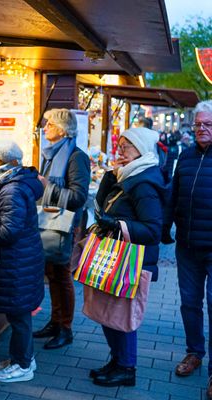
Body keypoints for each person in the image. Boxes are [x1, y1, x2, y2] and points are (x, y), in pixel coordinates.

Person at [89, 127, 164, 387]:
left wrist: (116, 225)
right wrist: (109, 177)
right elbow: (100, 206)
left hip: (132, 260)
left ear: (140, 150)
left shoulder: (143, 183)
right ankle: (117, 360)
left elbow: (153, 230)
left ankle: (126, 368)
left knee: (122, 315)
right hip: (118, 255)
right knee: (111, 313)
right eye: (119, 145)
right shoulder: (127, 175)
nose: (120, 150)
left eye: (126, 146)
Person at [0, 140, 44, 383]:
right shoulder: (11, 183)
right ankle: (24, 356)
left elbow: (8, 232)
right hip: (21, 259)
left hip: (17, 261)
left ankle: (23, 365)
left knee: (19, 316)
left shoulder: (11, 189)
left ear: (6, 162)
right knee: (20, 315)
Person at [164, 100, 212, 399]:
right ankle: (194, 352)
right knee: (190, 305)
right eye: (198, 125)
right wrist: (163, 231)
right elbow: (173, 195)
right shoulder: (186, 156)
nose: (201, 129)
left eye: (207, 124)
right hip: (187, 247)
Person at [33, 108, 90, 349]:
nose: (45, 129)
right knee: (53, 273)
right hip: (50, 222)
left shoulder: (76, 157)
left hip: (67, 225)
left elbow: (79, 196)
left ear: (63, 130)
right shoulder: (52, 153)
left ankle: (66, 327)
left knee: (63, 275)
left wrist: (47, 188)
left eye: (49, 125)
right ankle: (55, 322)